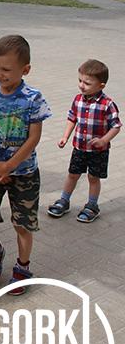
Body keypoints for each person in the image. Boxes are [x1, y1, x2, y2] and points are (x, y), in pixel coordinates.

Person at [0, 35, 51, 295]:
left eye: (6, 69)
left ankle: (23, 267)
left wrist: (10, 165)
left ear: (25, 69)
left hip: (24, 173)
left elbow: (34, 137)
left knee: (22, 224)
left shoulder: (33, 98)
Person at [47, 59, 121, 223]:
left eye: (87, 83)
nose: (81, 85)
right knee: (72, 174)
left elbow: (116, 126)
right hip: (79, 148)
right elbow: (72, 118)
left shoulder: (107, 104)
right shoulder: (78, 99)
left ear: (101, 85)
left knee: (93, 178)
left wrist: (104, 140)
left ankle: (92, 206)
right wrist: (65, 136)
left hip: (98, 151)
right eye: (80, 80)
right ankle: (64, 200)